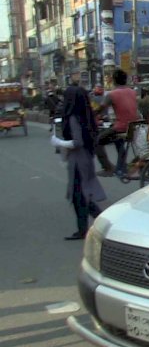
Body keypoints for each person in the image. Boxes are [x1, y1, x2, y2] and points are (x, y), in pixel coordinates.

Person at [50, 85, 106, 240]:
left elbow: (77, 142)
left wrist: (58, 142)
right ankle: (92, 225)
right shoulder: (86, 116)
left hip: (78, 160)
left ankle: (97, 224)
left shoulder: (74, 117)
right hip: (86, 158)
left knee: (79, 196)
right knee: (82, 195)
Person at [94, 69, 139, 177]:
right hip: (133, 126)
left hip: (121, 127)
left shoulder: (112, 94)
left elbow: (101, 109)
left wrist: (90, 114)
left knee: (97, 141)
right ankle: (121, 168)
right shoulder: (133, 92)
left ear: (114, 81)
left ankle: (108, 168)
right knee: (118, 140)